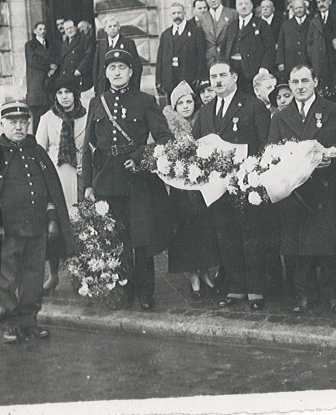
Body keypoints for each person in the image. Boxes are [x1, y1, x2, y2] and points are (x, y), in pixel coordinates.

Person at [0, 101, 74, 343]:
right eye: (13, 122)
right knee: (7, 280)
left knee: (34, 277)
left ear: (28, 124)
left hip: (36, 227)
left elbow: (50, 191)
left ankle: (29, 322)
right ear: (2, 123)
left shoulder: (36, 151)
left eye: (23, 123)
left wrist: (51, 219)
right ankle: (9, 323)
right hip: (6, 230)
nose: (18, 127)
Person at [82, 49, 173, 311]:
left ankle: (145, 292)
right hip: (107, 181)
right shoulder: (97, 102)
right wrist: (88, 184)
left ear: (131, 72)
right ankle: (124, 290)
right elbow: (88, 146)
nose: (117, 72)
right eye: (112, 68)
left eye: (122, 67)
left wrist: (140, 157)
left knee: (141, 241)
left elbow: (164, 139)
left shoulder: (145, 101)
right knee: (116, 239)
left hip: (138, 181)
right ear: (106, 73)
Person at [268, 65, 336, 313]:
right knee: (299, 248)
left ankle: (334, 295)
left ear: (315, 82)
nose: (300, 86)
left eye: (305, 80)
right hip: (296, 192)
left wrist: (332, 158)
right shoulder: (281, 117)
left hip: (325, 187)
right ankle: (305, 294)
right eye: (295, 82)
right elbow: (272, 152)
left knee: (328, 246)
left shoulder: (334, 110)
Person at [192, 61, 272, 310]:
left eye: (222, 75)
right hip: (217, 187)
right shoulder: (205, 112)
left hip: (246, 184)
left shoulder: (253, 105)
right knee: (226, 237)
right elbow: (197, 144)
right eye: (213, 76)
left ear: (234, 77)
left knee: (252, 236)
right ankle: (236, 287)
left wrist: (253, 175)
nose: (217, 81)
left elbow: (265, 145)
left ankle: (257, 289)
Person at [162, 81, 219, 298]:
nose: (186, 106)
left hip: (200, 186)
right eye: (181, 103)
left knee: (203, 230)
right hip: (179, 188)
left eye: (189, 101)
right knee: (184, 231)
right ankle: (192, 276)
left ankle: (204, 272)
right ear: (174, 106)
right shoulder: (168, 125)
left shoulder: (202, 121)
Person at [35, 76, 88, 295]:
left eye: (68, 92)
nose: (64, 97)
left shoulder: (86, 117)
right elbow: (38, 151)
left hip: (80, 178)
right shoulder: (48, 118)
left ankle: (81, 274)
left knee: (81, 227)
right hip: (55, 182)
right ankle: (54, 275)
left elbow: (92, 146)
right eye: (60, 93)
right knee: (54, 228)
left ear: (75, 94)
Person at [222, 0, 275, 92]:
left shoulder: (261, 24)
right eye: (240, 4)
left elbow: (270, 49)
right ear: (236, 7)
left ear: (251, 5)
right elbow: (224, 48)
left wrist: (264, 67)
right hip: (233, 69)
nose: (243, 6)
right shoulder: (232, 26)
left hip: (253, 70)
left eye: (246, 3)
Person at [155, 3, 206, 103]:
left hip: (189, 79)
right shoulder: (166, 34)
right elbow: (160, 59)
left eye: (179, 12)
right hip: (170, 80)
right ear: (170, 15)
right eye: (173, 13)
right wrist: (158, 80)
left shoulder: (195, 31)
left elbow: (201, 57)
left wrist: (199, 77)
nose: (176, 15)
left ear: (184, 13)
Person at [93, 15, 142, 95]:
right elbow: (96, 67)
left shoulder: (128, 43)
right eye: (110, 26)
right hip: (104, 87)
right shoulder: (101, 44)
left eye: (115, 26)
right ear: (105, 29)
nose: (113, 28)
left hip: (123, 87)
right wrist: (96, 87)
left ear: (119, 27)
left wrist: (134, 87)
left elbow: (137, 66)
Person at [25, 21, 58, 132]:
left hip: (49, 85)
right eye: (40, 29)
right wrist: (49, 66)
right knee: (37, 117)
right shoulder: (30, 45)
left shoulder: (50, 45)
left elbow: (56, 59)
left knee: (50, 115)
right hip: (37, 86)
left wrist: (53, 69)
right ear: (35, 31)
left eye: (44, 29)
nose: (42, 31)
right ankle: (36, 143)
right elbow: (32, 61)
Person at [199, 0, 237, 67]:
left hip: (228, 58)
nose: (213, 0)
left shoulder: (232, 14)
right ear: (205, 0)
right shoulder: (202, 18)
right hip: (210, 60)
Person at [306, 0, 335, 94]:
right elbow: (309, 42)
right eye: (319, 2)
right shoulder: (314, 21)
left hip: (334, 60)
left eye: (324, 1)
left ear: (330, 1)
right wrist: (314, 54)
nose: (321, 4)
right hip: (319, 61)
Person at [57, 19, 94, 93]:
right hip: (67, 77)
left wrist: (80, 69)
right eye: (67, 29)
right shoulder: (65, 43)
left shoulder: (84, 39)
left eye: (71, 28)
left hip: (80, 76)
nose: (69, 31)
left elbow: (89, 56)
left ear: (75, 28)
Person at [276, 0, 311, 78]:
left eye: (301, 7)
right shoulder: (286, 25)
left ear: (305, 8)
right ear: (292, 9)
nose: (299, 10)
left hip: (307, 60)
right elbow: (281, 44)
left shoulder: (312, 22)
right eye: (296, 8)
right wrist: (280, 61)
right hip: (291, 61)